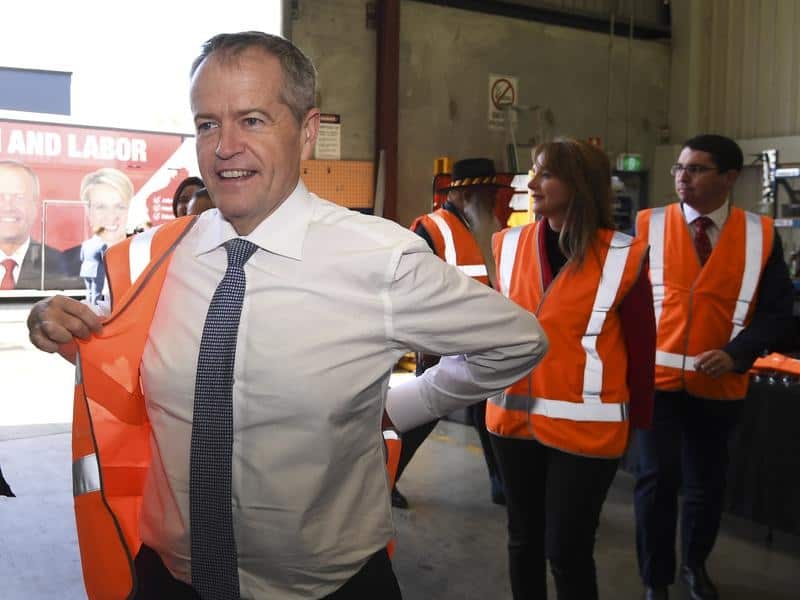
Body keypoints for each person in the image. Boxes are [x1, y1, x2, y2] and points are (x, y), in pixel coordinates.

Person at [26, 32, 548, 600]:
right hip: (170, 577)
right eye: (207, 124)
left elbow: (517, 340)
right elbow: (117, 341)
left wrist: (405, 404)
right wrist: (55, 321)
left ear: (305, 131)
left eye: (251, 120)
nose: (224, 146)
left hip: (325, 587)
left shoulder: (378, 258)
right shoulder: (157, 255)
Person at [487, 138, 656, 600]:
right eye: (534, 173)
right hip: (512, 421)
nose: (532, 184)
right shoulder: (509, 243)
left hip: (588, 429)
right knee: (523, 539)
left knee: (568, 550)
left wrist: (642, 425)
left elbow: (641, 348)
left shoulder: (623, 255)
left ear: (579, 185)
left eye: (545, 174)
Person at [633, 134, 794, 600]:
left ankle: (694, 567)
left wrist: (738, 354)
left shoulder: (760, 235)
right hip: (658, 382)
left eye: (697, 169)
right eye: (679, 168)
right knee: (655, 481)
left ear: (728, 178)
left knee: (706, 485)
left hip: (720, 384)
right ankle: (655, 579)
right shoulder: (647, 225)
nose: (683, 177)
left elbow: (777, 313)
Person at [393, 157, 511, 509]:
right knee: (421, 418)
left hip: (479, 344)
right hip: (442, 346)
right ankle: (383, 478)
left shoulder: (481, 227)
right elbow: (412, 287)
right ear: (466, 194)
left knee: (486, 413)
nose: (493, 201)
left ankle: (500, 483)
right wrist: (426, 341)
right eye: (487, 193)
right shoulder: (432, 228)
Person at [0, 160, 69, 290]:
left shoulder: (62, 267)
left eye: (19, 197)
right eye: (0, 196)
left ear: (35, 206)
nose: (8, 207)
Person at [63, 168, 135, 279]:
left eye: (119, 207)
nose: (111, 216)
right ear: (88, 210)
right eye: (101, 207)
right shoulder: (67, 262)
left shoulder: (143, 258)